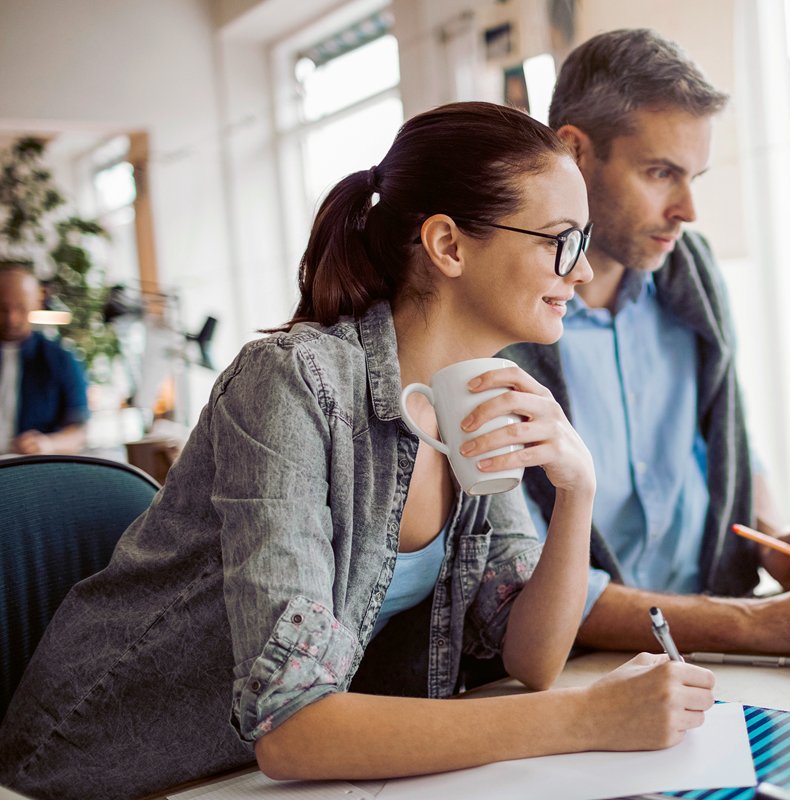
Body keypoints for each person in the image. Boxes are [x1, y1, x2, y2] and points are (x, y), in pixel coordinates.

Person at [0, 102, 715, 800]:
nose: (583, 273)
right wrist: (586, 719)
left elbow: (532, 658)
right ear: (448, 246)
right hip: (107, 772)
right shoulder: (292, 383)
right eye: (562, 240)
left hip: (263, 773)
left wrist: (575, 490)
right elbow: (294, 728)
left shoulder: (479, 395)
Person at [503, 29, 790, 656]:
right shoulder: (506, 319)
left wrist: (776, 542)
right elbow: (518, 584)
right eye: (660, 173)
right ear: (574, 152)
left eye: (695, 176)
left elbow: (726, 447)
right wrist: (756, 624)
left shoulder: (693, 272)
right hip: (590, 662)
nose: (688, 210)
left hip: (713, 643)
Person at [0, 262, 89, 455]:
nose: (11, 319)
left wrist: (48, 443)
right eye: (3, 309)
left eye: (21, 308)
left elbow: (79, 431)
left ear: (37, 302)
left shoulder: (60, 358)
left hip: (30, 470)